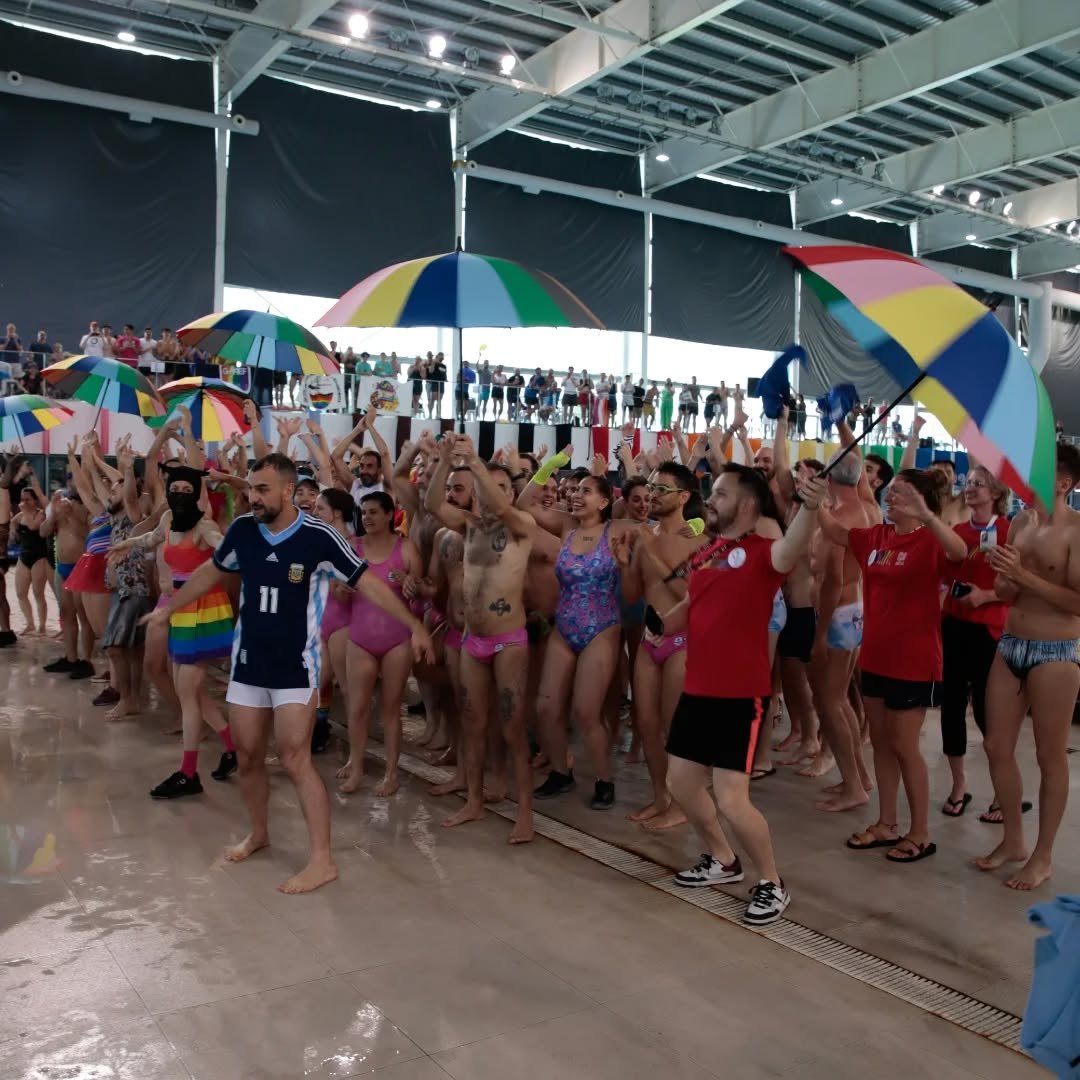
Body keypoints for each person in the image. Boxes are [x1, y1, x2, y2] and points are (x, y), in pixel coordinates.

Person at [142, 453, 433, 894]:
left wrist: (414, 625)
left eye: (262, 489)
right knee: (248, 756)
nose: (253, 497)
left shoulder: (318, 536)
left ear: (287, 490)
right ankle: (259, 832)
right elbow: (209, 572)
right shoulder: (243, 529)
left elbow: (368, 583)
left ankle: (322, 860)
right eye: (250, 489)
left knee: (296, 758)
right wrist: (170, 609)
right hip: (248, 664)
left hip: (296, 667)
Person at [664, 464, 827, 925]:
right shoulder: (709, 551)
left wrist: (810, 507)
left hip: (739, 697)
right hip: (697, 689)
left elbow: (794, 546)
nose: (709, 499)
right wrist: (661, 627)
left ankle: (772, 882)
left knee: (733, 800)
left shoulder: (764, 554)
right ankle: (723, 859)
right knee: (681, 783)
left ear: (748, 503)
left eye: (720, 493)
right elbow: (692, 603)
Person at [821, 469, 967, 863]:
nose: (891, 496)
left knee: (905, 746)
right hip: (876, 656)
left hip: (914, 661)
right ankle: (886, 823)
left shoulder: (931, 540)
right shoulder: (878, 537)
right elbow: (835, 532)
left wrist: (929, 516)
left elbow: (959, 553)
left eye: (902, 492)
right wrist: (814, 502)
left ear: (922, 500)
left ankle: (919, 833)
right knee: (883, 743)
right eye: (892, 490)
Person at [426, 435, 543, 843]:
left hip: (508, 641)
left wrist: (476, 463)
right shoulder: (469, 527)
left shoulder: (522, 526)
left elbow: (505, 510)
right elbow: (432, 504)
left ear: (510, 492)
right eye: (485, 487)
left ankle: (524, 812)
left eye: (501, 487)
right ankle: (474, 800)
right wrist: (446, 460)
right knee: (472, 724)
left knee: (512, 729)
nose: (493, 494)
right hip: (472, 641)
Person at [976, 444, 1080, 890]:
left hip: (1055, 653)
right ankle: (1014, 840)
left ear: (1064, 483)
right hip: (1011, 643)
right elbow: (1006, 591)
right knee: (995, 745)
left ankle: (1043, 856)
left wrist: (1023, 576)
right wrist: (1003, 576)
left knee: (1048, 755)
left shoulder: (1076, 531)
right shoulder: (1020, 522)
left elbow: (1077, 602)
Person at [110, 464, 237, 797]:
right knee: (189, 692)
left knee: (188, 693)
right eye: (175, 490)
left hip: (203, 609)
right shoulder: (167, 519)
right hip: (179, 606)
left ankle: (188, 772)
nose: (180, 496)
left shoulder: (205, 526)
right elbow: (151, 538)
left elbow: (226, 550)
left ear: (196, 494)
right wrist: (126, 544)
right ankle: (231, 747)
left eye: (186, 491)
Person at [521, 457, 637, 809]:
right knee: (545, 708)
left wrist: (693, 526)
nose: (577, 495)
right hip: (565, 625)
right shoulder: (565, 526)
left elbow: (669, 528)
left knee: (587, 712)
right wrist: (550, 466)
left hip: (602, 628)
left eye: (586, 491)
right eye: (575, 490)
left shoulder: (617, 529)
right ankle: (561, 771)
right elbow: (524, 503)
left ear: (603, 501)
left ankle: (604, 779)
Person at [613, 463, 704, 829]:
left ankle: (683, 804)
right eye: (650, 487)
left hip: (683, 641)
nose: (651, 495)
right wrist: (625, 564)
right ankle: (661, 796)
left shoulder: (697, 540)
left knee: (672, 725)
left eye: (661, 489)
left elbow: (691, 595)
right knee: (646, 722)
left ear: (683, 497)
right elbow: (633, 595)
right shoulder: (643, 535)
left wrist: (650, 552)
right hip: (650, 640)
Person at [336, 491, 423, 797]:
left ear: (389, 514)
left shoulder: (406, 549)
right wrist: (341, 590)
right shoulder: (353, 547)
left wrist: (410, 584)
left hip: (396, 639)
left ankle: (391, 773)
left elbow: (420, 594)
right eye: (363, 512)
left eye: (373, 512)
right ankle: (356, 766)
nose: (367, 518)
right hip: (360, 638)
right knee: (357, 707)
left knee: (390, 708)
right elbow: (336, 593)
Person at [806, 447, 879, 809]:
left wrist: (820, 634)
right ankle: (859, 776)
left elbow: (833, 580)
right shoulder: (865, 507)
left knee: (829, 702)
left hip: (838, 616)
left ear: (829, 475)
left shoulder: (844, 517)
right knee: (839, 701)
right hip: (851, 613)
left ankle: (854, 786)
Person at [938, 465, 1012, 819]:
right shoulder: (958, 532)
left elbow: (1020, 585)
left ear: (995, 492)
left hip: (989, 631)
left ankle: (1002, 791)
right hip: (955, 626)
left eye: (978, 484)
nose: (969, 488)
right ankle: (958, 785)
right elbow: (944, 575)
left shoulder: (1010, 532)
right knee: (951, 707)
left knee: (988, 712)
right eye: (967, 483)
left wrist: (986, 595)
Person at [40, 482, 94, 679]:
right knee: (66, 612)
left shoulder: (87, 507)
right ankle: (71, 658)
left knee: (84, 615)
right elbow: (43, 532)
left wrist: (71, 515)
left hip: (81, 566)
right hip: (63, 567)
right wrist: (54, 514)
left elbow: (87, 535)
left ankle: (86, 660)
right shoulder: (58, 509)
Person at [11, 481, 49, 636]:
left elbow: (33, 526)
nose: (24, 502)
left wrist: (24, 511)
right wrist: (14, 533)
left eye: (27, 499)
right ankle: (30, 623)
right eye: (22, 499)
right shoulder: (20, 516)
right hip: (24, 555)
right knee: (20, 593)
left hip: (39, 557)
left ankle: (42, 625)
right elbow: (13, 523)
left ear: (35, 500)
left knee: (38, 593)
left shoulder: (40, 514)